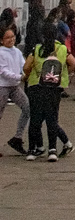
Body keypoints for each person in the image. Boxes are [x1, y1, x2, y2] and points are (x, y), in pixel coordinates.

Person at [23, 21, 75, 160]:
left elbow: (26, 66)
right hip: (54, 87)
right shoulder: (62, 49)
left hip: (36, 86)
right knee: (52, 118)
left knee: (35, 118)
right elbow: (74, 64)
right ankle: (52, 150)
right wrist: (63, 74)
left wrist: (29, 75)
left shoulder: (37, 49)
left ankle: (32, 149)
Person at [0, 24, 30, 153]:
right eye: (8, 38)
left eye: (12, 37)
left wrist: (27, 73)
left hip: (14, 86)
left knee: (27, 108)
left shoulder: (17, 51)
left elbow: (24, 65)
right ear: (1, 40)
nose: (11, 39)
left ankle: (18, 137)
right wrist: (19, 77)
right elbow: (3, 71)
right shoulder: (1, 53)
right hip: (2, 86)